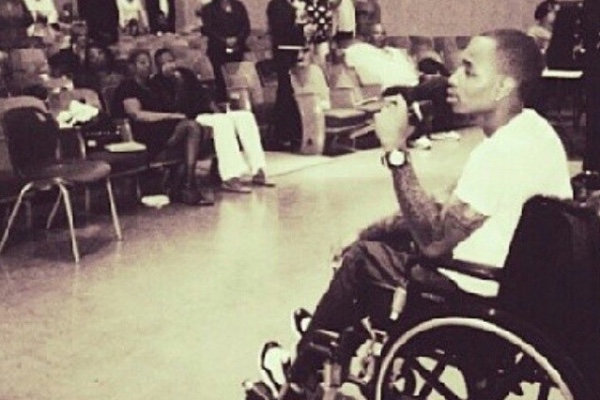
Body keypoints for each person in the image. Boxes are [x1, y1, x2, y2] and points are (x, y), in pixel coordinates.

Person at [261, 29, 573, 400]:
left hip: (476, 304)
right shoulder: (535, 132)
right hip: (524, 301)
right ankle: (330, 338)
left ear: (504, 86)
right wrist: (367, 231)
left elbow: (434, 243)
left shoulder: (499, 153)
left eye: (469, 71)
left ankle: (298, 377)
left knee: (362, 262)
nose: (452, 79)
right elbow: (444, 205)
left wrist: (396, 152)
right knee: (375, 245)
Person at [151, 48, 274, 193]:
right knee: (223, 123)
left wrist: (217, 110)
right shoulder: (157, 83)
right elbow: (171, 107)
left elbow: (204, 96)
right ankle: (230, 177)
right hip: (191, 118)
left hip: (209, 113)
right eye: (164, 63)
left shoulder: (185, 73)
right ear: (158, 66)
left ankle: (258, 169)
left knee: (245, 117)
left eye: (171, 61)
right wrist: (176, 84)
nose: (169, 65)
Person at [112, 49, 213, 206]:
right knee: (192, 127)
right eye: (142, 63)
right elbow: (137, 115)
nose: (147, 66)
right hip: (143, 131)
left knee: (200, 128)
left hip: (161, 128)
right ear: (132, 66)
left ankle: (182, 182)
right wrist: (171, 116)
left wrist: (177, 84)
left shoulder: (153, 85)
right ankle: (188, 186)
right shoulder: (128, 86)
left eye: (149, 63)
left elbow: (170, 105)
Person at [344, 23, 457, 149]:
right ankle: (414, 136)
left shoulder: (394, 52)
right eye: (376, 33)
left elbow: (410, 69)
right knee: (415, 90)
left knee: (441, 82)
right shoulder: (359, 51)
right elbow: (345, 56)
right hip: (388, 88)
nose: (381, 36)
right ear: (368, 36)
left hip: (412, 85)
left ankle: (440, 130)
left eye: (383, 33)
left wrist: (421, 77)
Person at [267, 0, 307, 151]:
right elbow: (280, 29)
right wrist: (298, 20)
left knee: (293, 92)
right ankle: (283, 134)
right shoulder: (277, 5)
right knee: (286, 91)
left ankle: (292, 131)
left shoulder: (293, 4)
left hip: (294, 50)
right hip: (283, 52)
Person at [200, 0, 251, 102]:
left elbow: (246, 26)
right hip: (217, 50)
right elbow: (208, 29)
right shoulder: (208, 9)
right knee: (221, 80)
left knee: (237, 79)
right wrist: (224, 41)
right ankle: (223, 102)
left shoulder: (238, 6)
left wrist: (237, 39)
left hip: (238, 49)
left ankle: (240, 103)